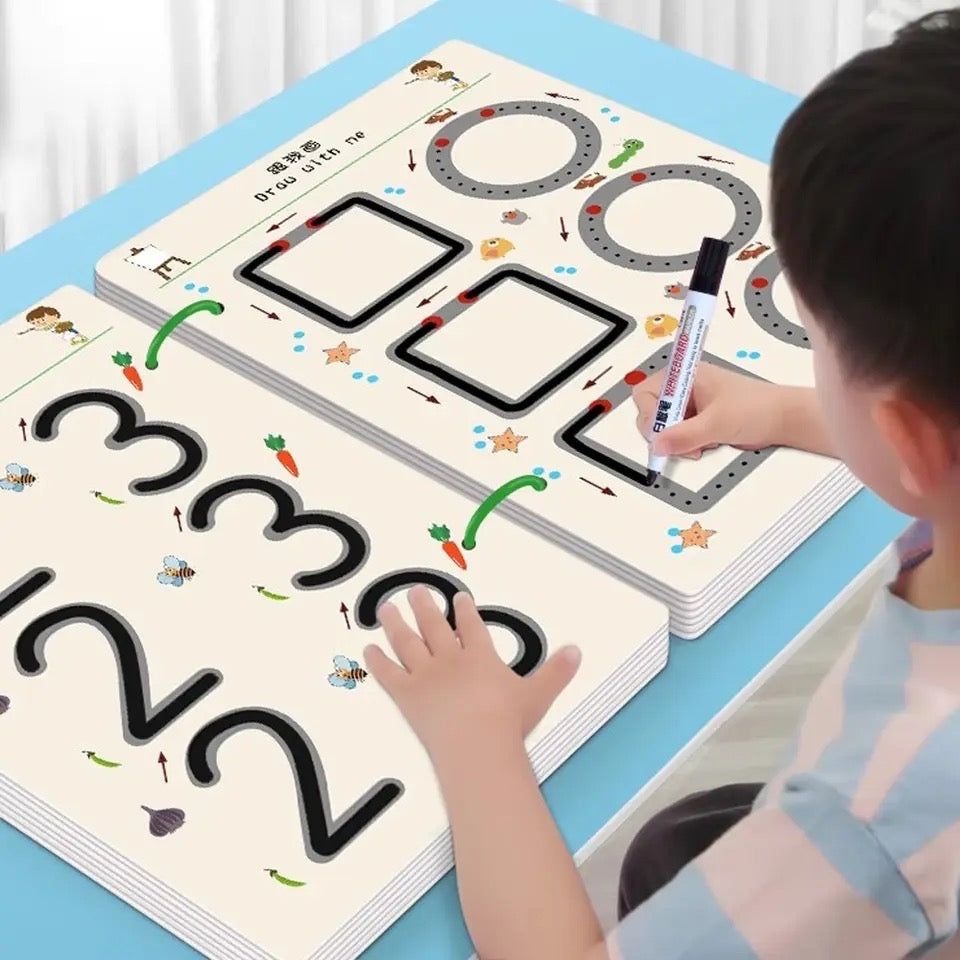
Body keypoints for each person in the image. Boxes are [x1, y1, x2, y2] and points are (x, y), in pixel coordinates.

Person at [363, 9, 960, 959]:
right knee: (676, 844)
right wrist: (782, 414)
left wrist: (477, 740)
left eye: (824, 347)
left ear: (908, 435)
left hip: (889, 867)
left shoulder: (871, 813)